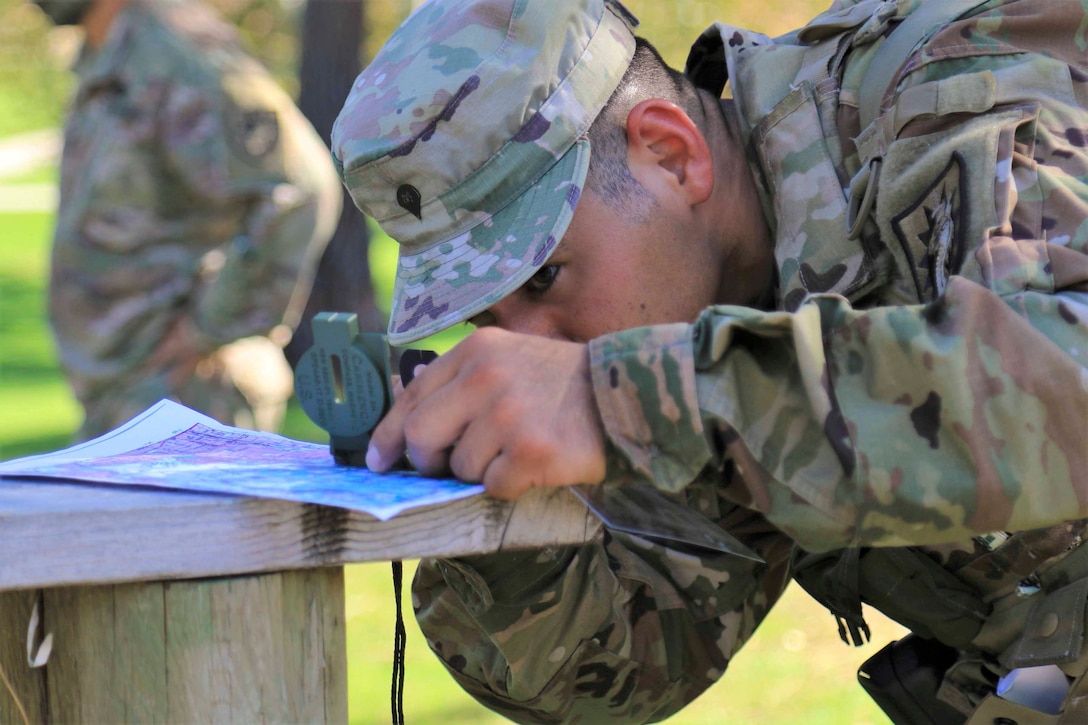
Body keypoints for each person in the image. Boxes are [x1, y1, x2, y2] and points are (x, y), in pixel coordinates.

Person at [332, 0, 1088, 722]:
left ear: (670, 151)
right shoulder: (702, 313)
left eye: (543, 277)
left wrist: (619, 401)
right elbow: (620, 664)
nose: (532, 344)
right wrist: (491, 518)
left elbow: (1065, 382)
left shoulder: (975, 80)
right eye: (488, 317)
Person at [35, 0, 341, 439]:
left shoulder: (178, 54)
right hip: (126, 391)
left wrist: (210, 327)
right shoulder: (110, 54)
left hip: (188, 392)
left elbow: (300, 188)